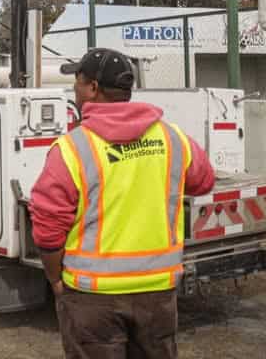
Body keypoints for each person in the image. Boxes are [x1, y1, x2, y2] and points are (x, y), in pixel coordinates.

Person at [30, 48, 216, 358]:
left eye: (77, 81)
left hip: (93, 297)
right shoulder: (172, 138)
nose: (74, 89)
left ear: (91, 88)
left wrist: (55, 280)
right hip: (157, 293)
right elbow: (204, 181)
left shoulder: (72, 148)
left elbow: (48, 228)